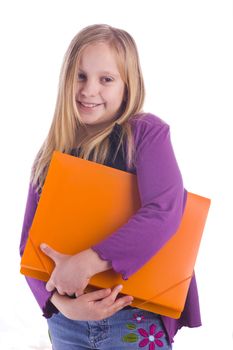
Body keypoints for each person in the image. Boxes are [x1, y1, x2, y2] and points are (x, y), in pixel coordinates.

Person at [19, 24, 201, 350]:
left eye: (106, 79)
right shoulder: (51, 152)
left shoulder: (145, 134)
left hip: (133, 316)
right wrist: (62, 305)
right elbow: (29, 247)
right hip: (67, 322)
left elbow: (164, 212)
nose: (89, 90)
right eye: (80, 76)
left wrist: (88, 262)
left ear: (128, 85)